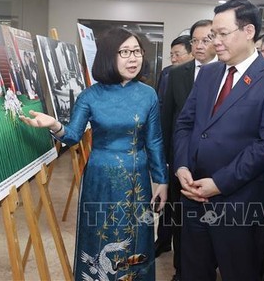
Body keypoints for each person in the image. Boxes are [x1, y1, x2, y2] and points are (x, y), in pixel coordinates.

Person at [20, 27, 168, 281]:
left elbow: (154, 140)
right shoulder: (90, 95)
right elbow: (73, 135)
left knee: (136, 237)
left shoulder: (148, 94)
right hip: (101, 179)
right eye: (125, 52)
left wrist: (162, 180)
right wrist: (54, 125)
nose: (133, 58)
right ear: (109, 56)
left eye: (137, 51)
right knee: (102, 234)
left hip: (138, 179)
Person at [173, 0, 264, 281]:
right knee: (193, 272)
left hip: (239, 204)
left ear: (248, 31)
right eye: (214, 34)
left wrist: (218, 184)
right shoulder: (208, 73)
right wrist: (181, 167)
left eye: (222, 34)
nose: (216, 41)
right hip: (193, 197)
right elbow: (186, 124)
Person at [156, 19, 217, 281]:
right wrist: (168, 162)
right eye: (195, 40)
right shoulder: (177, 73)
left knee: (214, 224)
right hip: (181, 162)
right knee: (179, 222)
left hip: (215, 166)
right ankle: (181, 271)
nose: (200, 45)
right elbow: (168, 120)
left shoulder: (228, 73)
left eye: (206, 39)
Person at [156, 35, 192, 109]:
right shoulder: (166, 73)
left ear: (192, 54)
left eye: (177, 55)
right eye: (171, 55)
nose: (173, 59)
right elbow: (160, 102)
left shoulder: (202, 72)